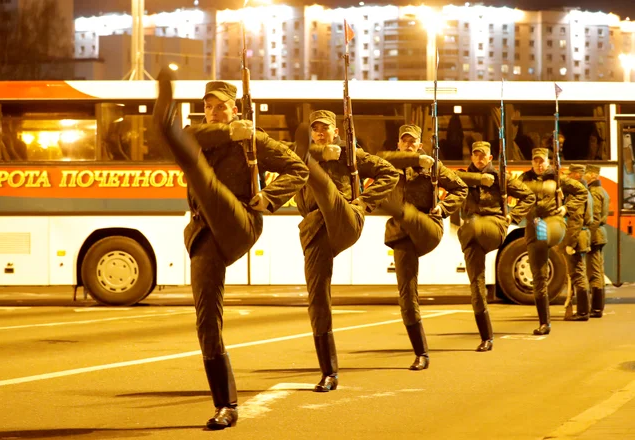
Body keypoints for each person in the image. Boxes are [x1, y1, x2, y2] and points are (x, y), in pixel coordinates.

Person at [152, 71, 309, 430]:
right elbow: (190, 135)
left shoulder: (253, 140)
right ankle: (226, 405)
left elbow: (297, 169)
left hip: (240, 221)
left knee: (207, 182)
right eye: (207, 108)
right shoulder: (197, 136)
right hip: (205, 231)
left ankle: (164, 119)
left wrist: (268, 197)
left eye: (220, 108)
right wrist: (226, 132)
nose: (212, 113)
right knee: (206, 319)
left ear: (235, 109)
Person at [293, 110, 399, 392]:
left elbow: (390, 173)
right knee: (316, 297)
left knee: (328, 192)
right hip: (315, 229)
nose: (319, 132)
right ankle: (329, 373)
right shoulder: (304, 157)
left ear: (335, 131)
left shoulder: (350, 154)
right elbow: (288, 173)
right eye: (314, 129)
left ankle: (343, 200)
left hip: (345, 219)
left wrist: (363, 202)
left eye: (324, 129)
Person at [377, 124, 468, 370]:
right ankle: (421, 354)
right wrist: (414, 159)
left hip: (428, 226)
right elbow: (378, 158)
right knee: (407, 294)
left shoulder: (433, 166)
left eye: (413, 141)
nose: (408, 144)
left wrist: (443, 207)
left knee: (407, 213)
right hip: (401, 234)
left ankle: (404, 213)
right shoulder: (389, 164)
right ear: (398, 144)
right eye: (404, 140)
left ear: (420, 143)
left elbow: (461, 188)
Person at [455, 141, 535, 351]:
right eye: (476, 155)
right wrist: (477, 179)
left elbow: (529, 196)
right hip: (472, 233)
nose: (479, 158)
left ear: (490, 158)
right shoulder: (464, 176)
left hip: (493, 227)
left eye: (483, 155)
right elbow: (449, 178)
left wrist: (513, 217)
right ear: (471, 157)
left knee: (475, 225)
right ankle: (486, 337)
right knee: (477, 284)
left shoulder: (501, 177)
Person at [518, 148, 588, 335]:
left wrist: (566, 208)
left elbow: (581, 192)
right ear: (531, 162)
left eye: (542, 161)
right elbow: (513, 191)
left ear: (548, 162)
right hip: (534, 228)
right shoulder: (524, 179)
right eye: (536, 161)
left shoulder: (558, 179)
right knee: (538, 276)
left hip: (553, 223)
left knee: (549, 231)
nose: (539, 165)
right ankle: (544, 323)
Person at [561, 164, 593, 322]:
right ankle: (583, 310)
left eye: (569, 174)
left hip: (577, 237)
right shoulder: (586, 191)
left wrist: (570, 243)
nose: (567, 177)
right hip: (582, 235)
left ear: (575, 176)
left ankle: (582, 312)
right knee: (580, 274)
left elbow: (575, 220)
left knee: (578, 275)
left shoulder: (577, 195)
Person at [585, 164, 610, 317]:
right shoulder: (601, 191)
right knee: (598, 271)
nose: (584, 176)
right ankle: (598, 307)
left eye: (587, 173)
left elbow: (594, 218)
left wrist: (587, 235)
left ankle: (596, 308)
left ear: (593, 175)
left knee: (594, 272)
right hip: (600, 234)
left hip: (595, 235)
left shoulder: (594, 192)